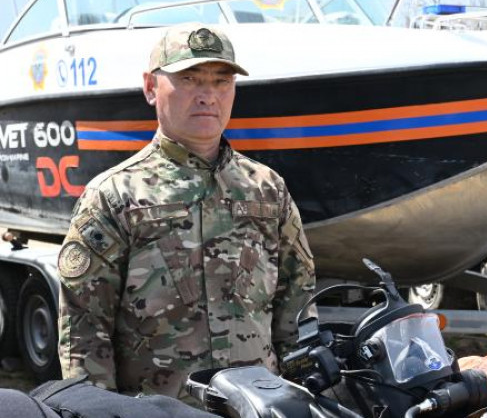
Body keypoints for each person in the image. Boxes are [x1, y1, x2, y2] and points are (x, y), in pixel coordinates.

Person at [57, 23, 317, 400]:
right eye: (189, 79)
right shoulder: (114, 196)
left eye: (221, 81)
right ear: (151, 87)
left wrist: (301, 396)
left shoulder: (267, 189)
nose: (208, 96)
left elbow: (297, 305)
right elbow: (84, 332)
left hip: (257, 406)